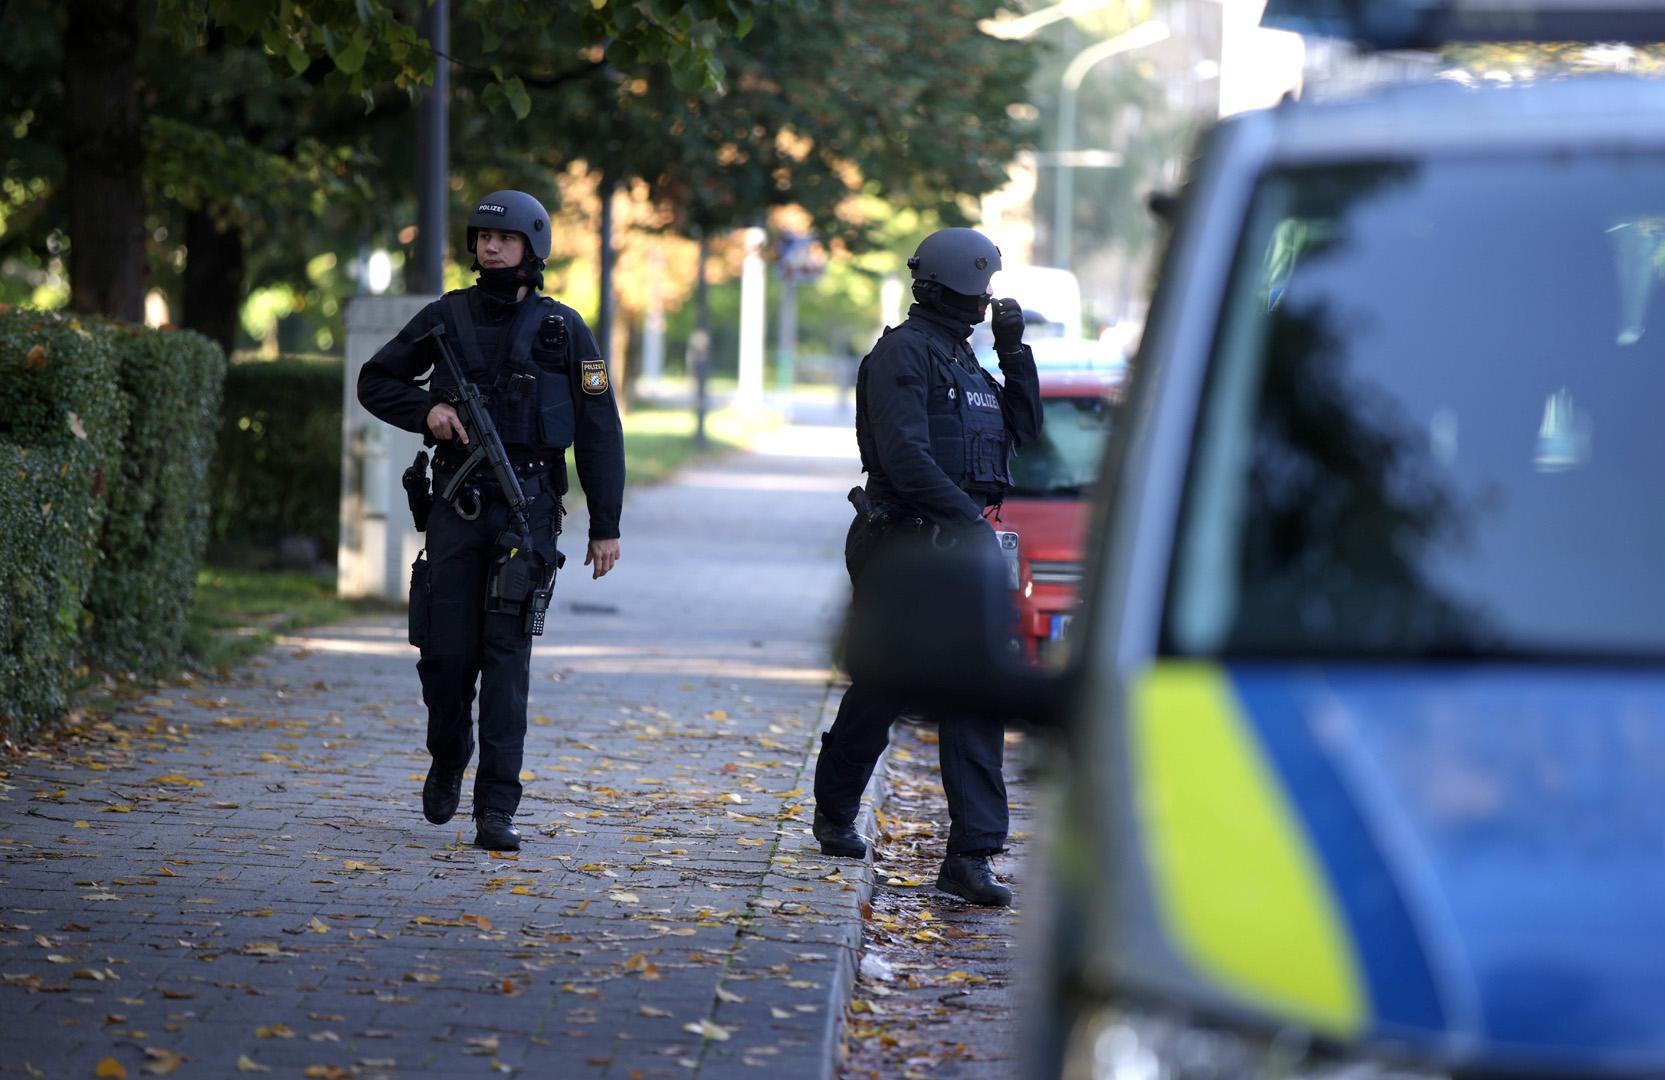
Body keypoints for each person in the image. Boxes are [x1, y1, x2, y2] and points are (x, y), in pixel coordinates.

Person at [357, 189, 624, 852]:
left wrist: (606, 524)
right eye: (481, 237)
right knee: (445, 657)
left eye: (503, 239)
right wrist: (425, 413)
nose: (491, 246)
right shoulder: (445, 318)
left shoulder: (565, 330)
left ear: (533, 248)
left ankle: (496, 808)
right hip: (456, 506)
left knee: (506, 661)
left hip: (528, 511)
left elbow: (599, 429)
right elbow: (375, 379)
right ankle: (450, 755)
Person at [813, 227, 1041, 905]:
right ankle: (833, 807)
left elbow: (1025, 435)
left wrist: (1013, 352)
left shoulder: (968, 364)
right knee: (882, 687)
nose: (986, 303)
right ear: (949, 290)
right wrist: (968, 525)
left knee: (974, 693)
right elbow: (905, 457)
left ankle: (970, 856)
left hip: (959, 546)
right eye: (981, 293)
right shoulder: (900, 357)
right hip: (903, 543)